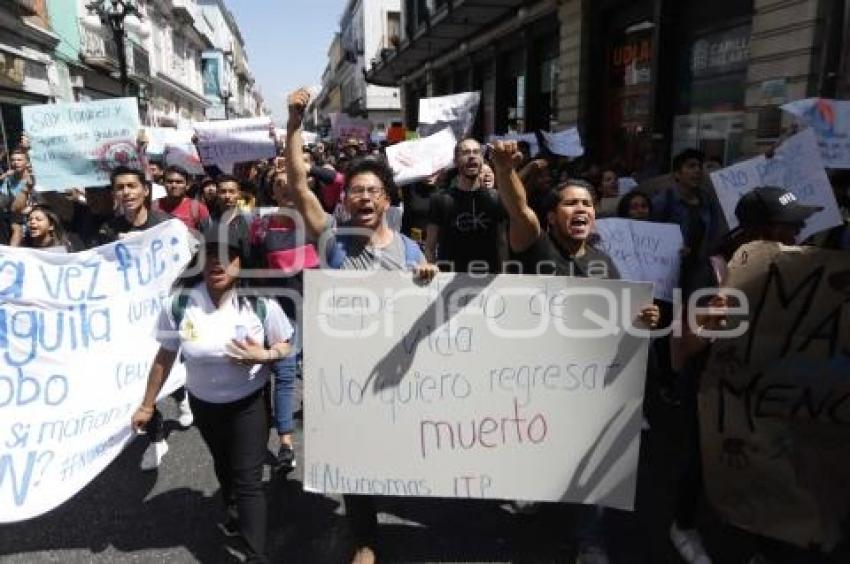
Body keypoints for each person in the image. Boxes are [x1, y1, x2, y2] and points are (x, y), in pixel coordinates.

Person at [286, 87, 437, 564]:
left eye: (373, 190)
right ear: (345, 200)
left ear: (387, 198)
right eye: (356, 190)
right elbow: (297, 183)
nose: (364, 196)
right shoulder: (332, 238)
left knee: (385, 451)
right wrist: (294, 121)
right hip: (345, 375)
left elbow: (427, 310)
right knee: (352, 456)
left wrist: (428, 276)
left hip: (395, 371)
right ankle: (365, 538)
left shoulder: (410, 251)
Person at [489, 139, 659, 564]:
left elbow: (621, 321)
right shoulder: (536, 246)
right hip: (538, 375)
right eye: (569, 203)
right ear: (552, 216)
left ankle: (590, 540)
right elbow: (518, 211)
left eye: (587, 203)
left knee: (594, 456)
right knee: (539, 441)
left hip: (590, 381)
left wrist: (644, 320)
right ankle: (535, 490)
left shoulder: (605, 263)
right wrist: (507, 170)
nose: (580, 209)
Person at [667, 185, 823, 564]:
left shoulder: (793, 264)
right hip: (711, 387)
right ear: (760, 232)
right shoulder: (715, 271)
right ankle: (683, 525)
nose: (799, 231)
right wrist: (707, 324)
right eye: (790, 225)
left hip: (762, 385)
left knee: (763, 460)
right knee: (703, 459)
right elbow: (682, 348)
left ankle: (765, 544)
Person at [131, 225, 293, 563]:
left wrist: (266, 355)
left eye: (227, 255)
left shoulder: (260, 304)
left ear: (241, 261)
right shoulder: (179, 304)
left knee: (249, 477)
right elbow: (164, 356)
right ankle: (231, 507)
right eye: (209, 255)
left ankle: (254, 555)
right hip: (205, 405)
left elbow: (286, 345)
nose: (217, 263)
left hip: (249, 404)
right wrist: (147, 404)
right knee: (224, 465)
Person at [96, 166, 190, 469]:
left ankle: (181, 394)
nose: (126, 192)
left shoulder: (166, 225)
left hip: (163, 309)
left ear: (145, 191)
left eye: (132, 186)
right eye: (120, 187)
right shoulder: (107, 230)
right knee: (139, 372)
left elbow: (188, 259)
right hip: (129, 315)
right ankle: (156, 435)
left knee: (167, 359)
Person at [425, 138, 506, 273]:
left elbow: (502, 243)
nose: (472, 156)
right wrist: (433, 275)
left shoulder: (496, 198)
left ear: (482, 159)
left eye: (476, 152)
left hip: (487, 282)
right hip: (448, 282)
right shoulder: (440, 199)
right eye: (466, 152)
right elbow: (430, 246)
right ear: (456, 161)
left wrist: (505, 277)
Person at [153, 165, 210, 231]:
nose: (174, 185)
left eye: (179, 182)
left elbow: (208, 236)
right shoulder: (154, 206)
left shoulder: (199, 208)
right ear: (163, 183)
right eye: (169, 182)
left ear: (187, 185)